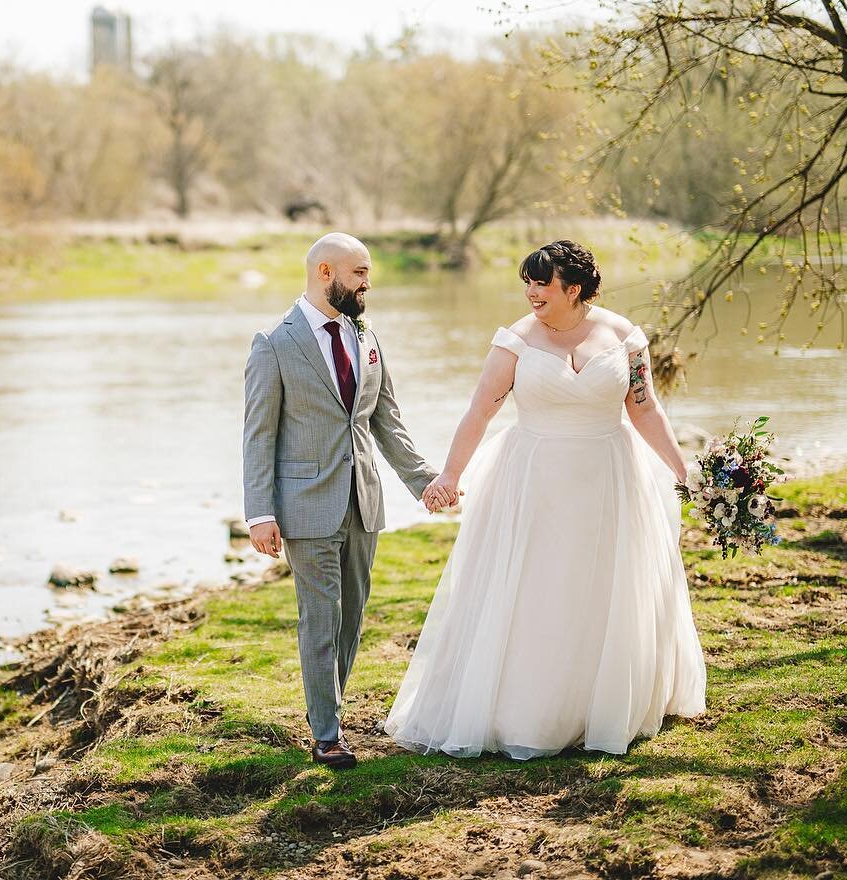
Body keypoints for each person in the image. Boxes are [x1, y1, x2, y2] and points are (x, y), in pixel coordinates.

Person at [386, 239, 706, 758]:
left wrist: (682, 469)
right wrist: (449, 473)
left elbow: (645, 411)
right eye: (528, 283)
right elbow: (479, 412)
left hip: (609, 473)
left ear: (573, 289)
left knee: (605, 583)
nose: (532, 293)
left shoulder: (624, 336)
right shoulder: (515, 340)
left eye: (542, 283)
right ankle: (527, 710)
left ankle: (600, 704)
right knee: (540, 586)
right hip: (535, 479)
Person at [243, 232, 451, 770]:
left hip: (364, 500)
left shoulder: (367, 336)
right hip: (306, 505)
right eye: (359, 274)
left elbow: (388, 420)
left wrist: (425, 481)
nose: (367, 284)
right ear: (326, 271)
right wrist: (260, 514)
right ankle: (327, 731)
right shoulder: (274, 343)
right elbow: (258, 435)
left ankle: (328, 709)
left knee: (352, 614)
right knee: (320, 615)